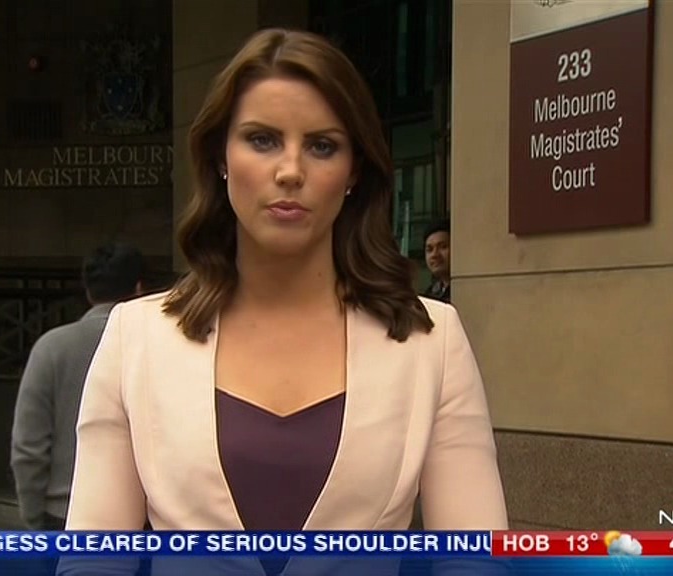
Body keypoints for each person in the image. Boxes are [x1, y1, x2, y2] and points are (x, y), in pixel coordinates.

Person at [61, 29, 507, 576]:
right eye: (262, 139)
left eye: (322, 146)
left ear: (354, 171)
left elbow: (473, 562)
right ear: (220, 157)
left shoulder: (432, 340)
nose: (291, 170)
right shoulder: (135, 337)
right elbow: (94, 562)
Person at [10, 240, 144, 530]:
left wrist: (33, 516)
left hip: (64, 512)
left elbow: (29, 446)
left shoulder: (51, 347)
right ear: (139, 288)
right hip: (143, 516)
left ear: (88, 290)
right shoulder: (156, 346)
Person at [422, 219, 451, 302]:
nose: (434, 255)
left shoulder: (467, 288)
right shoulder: (429, 295)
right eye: (429, 249)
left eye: (443, 247)